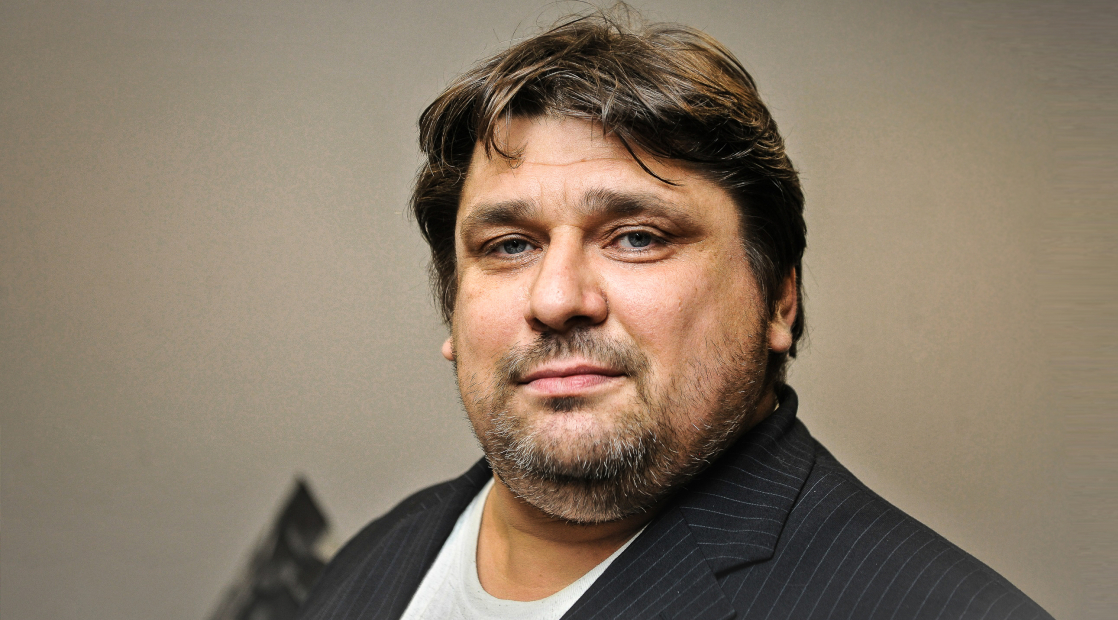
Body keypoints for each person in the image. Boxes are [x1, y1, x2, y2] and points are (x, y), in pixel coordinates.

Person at [299, 9, 1050, 620]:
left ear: (778, 298)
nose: (556, 299)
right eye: (510, 246)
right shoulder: (370, 560)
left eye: (638, 237)